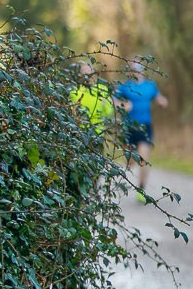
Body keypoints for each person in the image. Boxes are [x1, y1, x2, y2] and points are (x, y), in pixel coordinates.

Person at [114, 61, 167, 198]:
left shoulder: (150, 86)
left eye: (139, 69)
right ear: (130, 71)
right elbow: (113, 101)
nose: (136, 71)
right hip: (128, 128)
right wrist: (122, 104)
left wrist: (162, 102)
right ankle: (130, 162)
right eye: (134, 69)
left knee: (144, 159)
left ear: (143, 71)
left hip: (145, 127)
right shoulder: (125, 87)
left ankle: (141, 189)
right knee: (130, 162)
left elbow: (159, 98)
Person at [71, 60, 114, 135]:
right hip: (80, 133)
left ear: (96, 74)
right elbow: (72, 115)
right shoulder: (75, 92)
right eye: (85, 74)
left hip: (98, 133)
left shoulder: (103, 89)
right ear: (80, 76)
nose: (88, 77)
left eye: (91, 74)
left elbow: (109, 112)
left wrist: (105, 104)